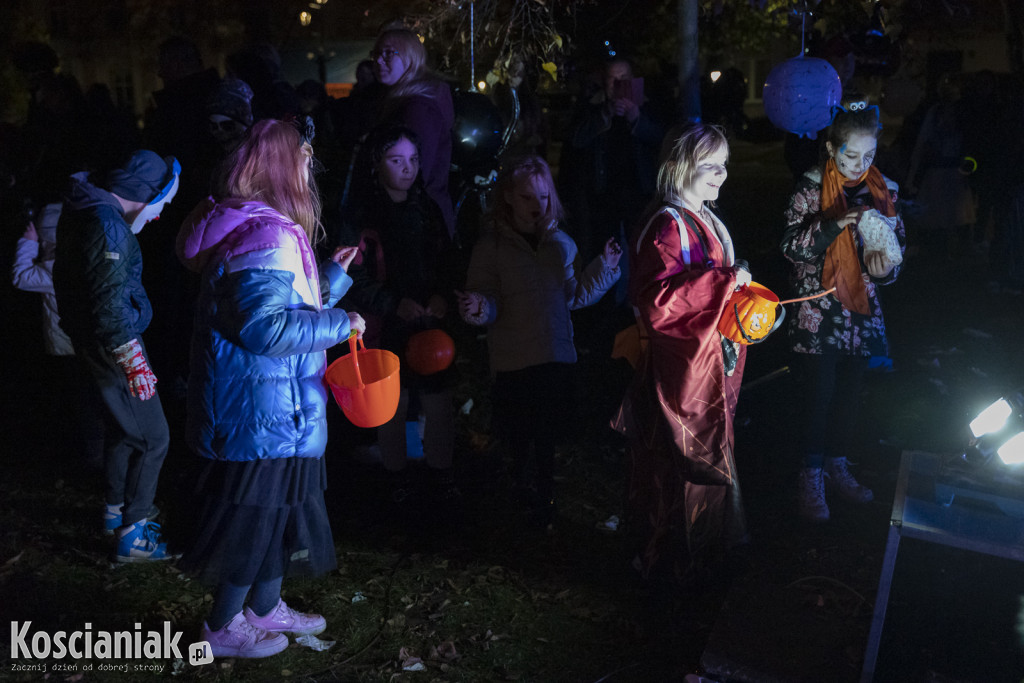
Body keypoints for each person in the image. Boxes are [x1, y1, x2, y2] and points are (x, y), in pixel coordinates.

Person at [175, 118, 365, 659]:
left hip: (279, 406)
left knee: (280, 514)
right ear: (283, 167)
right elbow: (265, 329)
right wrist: (341, 322)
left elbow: (272, 305)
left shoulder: (262, 227)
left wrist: (329, 280)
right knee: (253, 520)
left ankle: (263, 607)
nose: (309, 170)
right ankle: (221, 626)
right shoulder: (268, 233)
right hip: (264, 413)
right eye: (303, 160)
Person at [611, 123, 750, 585]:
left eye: (724, 165)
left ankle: (704, 548)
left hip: (703, 364)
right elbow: (659, 303)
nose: (721, 175)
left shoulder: (701, 216)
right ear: (677, 168)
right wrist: (726, 282)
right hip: (676, 375)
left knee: (706, 451)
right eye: (709, 166)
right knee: (675, 460)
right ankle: (669, 558)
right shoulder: (667, 225)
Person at [458, 155, 621, 527]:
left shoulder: (560, 244)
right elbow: (486, 297)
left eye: (544, 198)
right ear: (510, 198)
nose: (538, 206)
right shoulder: (493, 247)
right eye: (529, 197)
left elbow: (574, 295)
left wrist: (605, 268)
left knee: (547, 429)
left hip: (553, 352)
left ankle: (545, 493)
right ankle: (519, 485)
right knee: (519, 429)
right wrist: (478, 306)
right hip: (515, 357)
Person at [52, 149, 181, 561]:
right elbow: (108, 306)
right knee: (153, 437)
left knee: (124, 428)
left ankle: (114, 512)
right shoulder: (109, 228)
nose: (159, 215)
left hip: (95, 340)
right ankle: (134, 534)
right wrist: (133, 358)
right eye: (162, 204)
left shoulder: (86, 210)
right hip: (115, 342)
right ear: (145, 194)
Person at [781, 101, 906, 522]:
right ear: (832, 148)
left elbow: (894, 250)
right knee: (819, 394)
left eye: (868, 156)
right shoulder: (810, 189)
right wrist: (836, 223)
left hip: (861, 312)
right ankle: (810, 475)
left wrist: (885, 269)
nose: (858, 164)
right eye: (851, 155)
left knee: (850, 392)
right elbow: (792, 249)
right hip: (818, 311)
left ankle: (837, 464)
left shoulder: (883, 191)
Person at [338, 126, 459, 508]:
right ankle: (397, 478)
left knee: (439, 400)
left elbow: (447, 260)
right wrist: (392, 302)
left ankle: (441, 475)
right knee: (395, 403)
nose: (407, 168)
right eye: (396, 160)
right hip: (385, 324)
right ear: (377, 164)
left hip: (429, 323)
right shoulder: (361, 216)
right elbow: (352, 275)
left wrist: (442, 295)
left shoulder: (427, 209)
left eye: (413, 159)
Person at [11, 202, 104, 468]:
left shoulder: (51, 269)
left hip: (69, 347)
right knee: (95, 400)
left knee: (84, 404)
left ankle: (93, 456)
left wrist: (28, 243)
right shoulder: (81, 261)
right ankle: (97, 454)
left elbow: (20, 276)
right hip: (91, 343)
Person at [562, 56, 663, 263]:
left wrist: (636, 119)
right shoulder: (591, 106)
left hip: (639, 193)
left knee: (643, 249)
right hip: (603, 195)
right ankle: (607, 293)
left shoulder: (649, 105)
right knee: (605, 252)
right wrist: (604, 116)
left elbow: (662, 138)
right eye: (612, 78)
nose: (618, 84)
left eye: (623, 77)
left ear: (633, 79)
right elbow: (576, 140)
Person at [364, 27, 455, 237]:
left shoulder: (419, 108)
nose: (378, 61)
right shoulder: (403, 101)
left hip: (416, 224)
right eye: (376, 54)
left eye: (388, 53)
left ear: (411, 57)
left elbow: (415, 172)